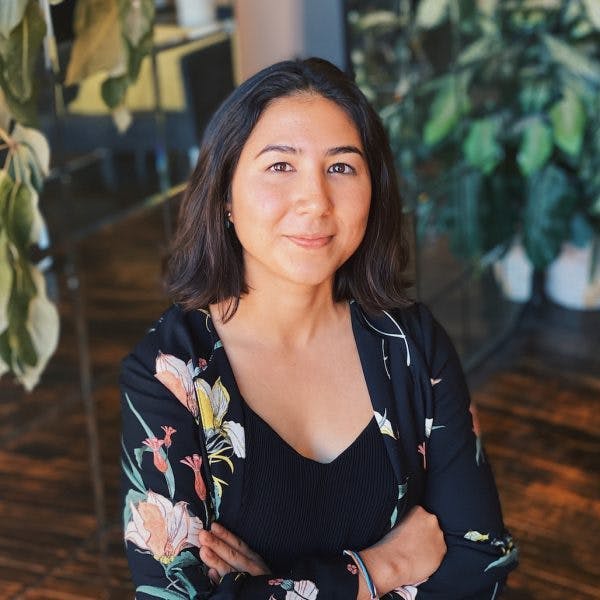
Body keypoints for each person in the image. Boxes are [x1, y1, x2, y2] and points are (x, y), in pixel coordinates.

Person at [120, 57, 518, 600]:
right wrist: (380, 568)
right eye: (280, 166)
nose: (316, 200)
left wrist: (265, 586)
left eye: (341, 168)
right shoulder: (170, 371)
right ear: (225, 195)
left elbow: (481, 561)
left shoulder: (412, 345)